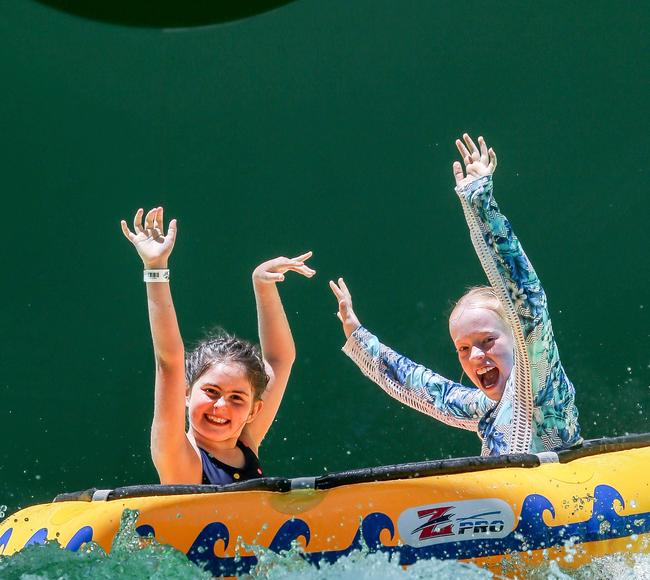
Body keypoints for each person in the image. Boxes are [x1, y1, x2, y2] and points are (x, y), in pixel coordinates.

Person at [329, 133, 580, 456]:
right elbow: (424, 389)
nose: (475, 356)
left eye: (487, 341)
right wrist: (358, 337)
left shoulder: (543, 387)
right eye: (463, 348)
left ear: (518, 336)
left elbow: (528, 299)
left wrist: (481, 202)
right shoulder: (485, 408)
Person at [121, 206, 314, 484]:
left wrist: (263, 286)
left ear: (254, 411)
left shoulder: (246, 442)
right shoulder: (178, 456)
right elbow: (169, 361)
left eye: (237, 398)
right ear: (185, 393)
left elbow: (280, 359)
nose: (221, 406)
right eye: (211, 391)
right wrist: (155, 268)